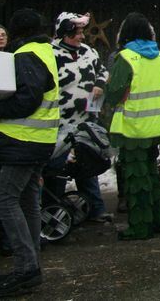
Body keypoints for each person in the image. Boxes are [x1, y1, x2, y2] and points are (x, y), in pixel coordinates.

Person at [0, 9, 57, 295]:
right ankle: (31, 266)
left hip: (22, 140)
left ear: (16, 32)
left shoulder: (26, 55)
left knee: (5, 202)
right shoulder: (44, 51)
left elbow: (26, 101)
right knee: (29, 202)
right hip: (40, 140)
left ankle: (26, 268)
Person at [104, 12, 160, 240]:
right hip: (156, 126)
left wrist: (109, 87)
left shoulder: (126, 58)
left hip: (133, 126)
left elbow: (113, 94)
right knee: (150, 175)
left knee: (135, 179)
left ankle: (140, 227)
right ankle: (157, 219)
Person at [47, 12, 110, 223]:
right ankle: (53, 211)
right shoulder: (51, 54)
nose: (81, 36)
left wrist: (100, 84)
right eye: (77, 33)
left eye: (82, 32)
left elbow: (103, 71)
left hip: (85, 121)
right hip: (60, 121)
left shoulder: (89, 52)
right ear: (64, 32)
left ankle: (95, 209)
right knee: (57, 167)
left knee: (87, 163)